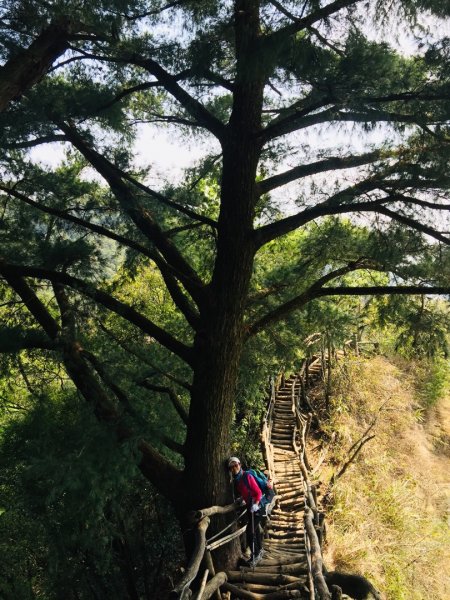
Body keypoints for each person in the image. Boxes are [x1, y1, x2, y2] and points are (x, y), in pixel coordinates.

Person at [228, 456, 264, 565]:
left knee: (250, 531)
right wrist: (242, 499)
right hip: (250, 507)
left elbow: (258, 492)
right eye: (232, 467)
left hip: (258, 506)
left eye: (236, 465)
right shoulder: (237, 481)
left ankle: (256, 555)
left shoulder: (247, 476)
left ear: (240, 464)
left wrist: (256, 504)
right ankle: (259, 550)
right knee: (255, 529)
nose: (235, 468)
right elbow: (246, 493)